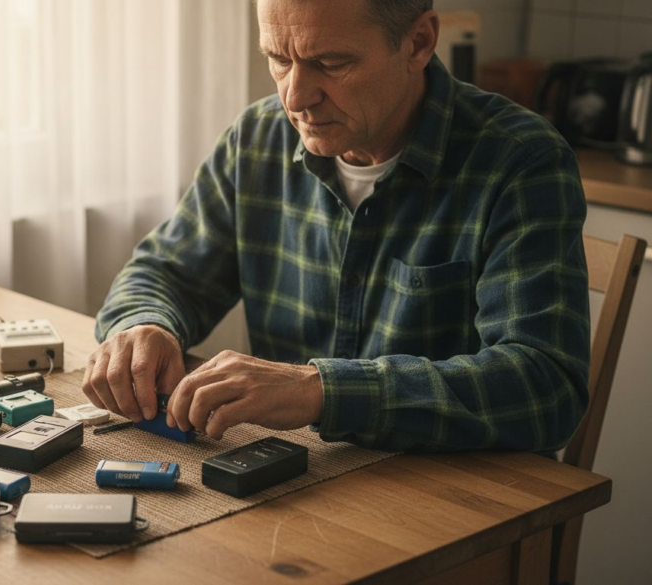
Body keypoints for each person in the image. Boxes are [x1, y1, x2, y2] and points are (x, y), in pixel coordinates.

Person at [82, 0, 590, 452]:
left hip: (449, 505)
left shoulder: (521, 161)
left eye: (331, 62)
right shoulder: (257, 140)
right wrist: (142, 326)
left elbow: (545, 387)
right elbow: (165, 272)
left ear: (418, 43)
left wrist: (316, 392)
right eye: (279, 59)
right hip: (291, 488)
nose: (295, 97)